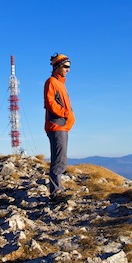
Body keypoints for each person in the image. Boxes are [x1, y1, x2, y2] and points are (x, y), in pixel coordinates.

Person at [44, 53, 75, 199]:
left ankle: (58, 189)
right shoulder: (52, 82)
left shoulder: (60, 84)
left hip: (62, 126)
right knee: (59, 160)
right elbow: (50, 103)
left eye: (69, 67)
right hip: (57, 125)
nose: (68, 69)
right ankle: (55, 192)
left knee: (61, 159)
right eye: (66, 66)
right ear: (57, 66)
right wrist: (66, 114)